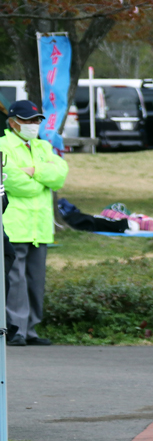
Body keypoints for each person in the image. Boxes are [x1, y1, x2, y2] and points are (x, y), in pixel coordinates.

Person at [0, 100, 68, 346]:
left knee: (36, 281)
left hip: (40, 226)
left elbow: (59, 175)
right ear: (13, 122)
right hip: (15, 224)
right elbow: (14, 182)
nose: (33, 124)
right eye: (28, 120)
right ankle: (16, 329)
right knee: (15, 281)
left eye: (36, 120)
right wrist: (42, 175)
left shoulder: (43, 146)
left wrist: (33, 170)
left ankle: (32, 331)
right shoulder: (3, 145)